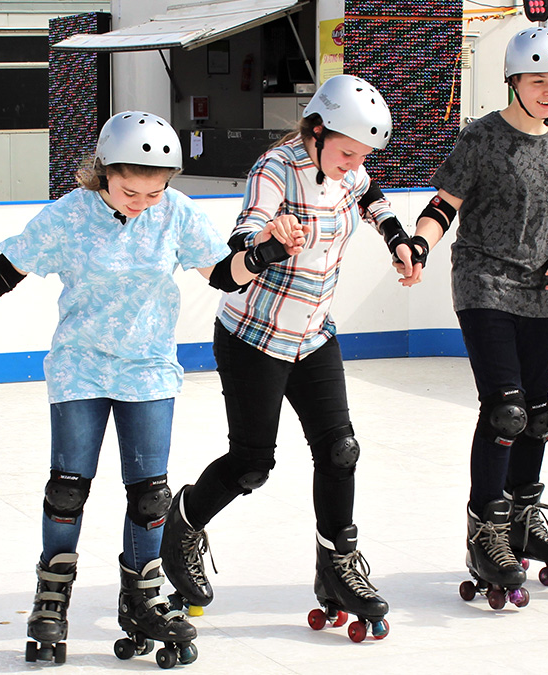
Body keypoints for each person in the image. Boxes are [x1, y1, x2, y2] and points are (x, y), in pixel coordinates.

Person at [0, 111, 303, 666]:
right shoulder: (69, 216)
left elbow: (223, 275)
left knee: (150, 493)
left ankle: (142, 598)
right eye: (131, 189)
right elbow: (4, 272)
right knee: (68, 487)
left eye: (155, 191)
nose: (142, 201)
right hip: (81, 366)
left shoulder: (175, 214)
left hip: (149, 367)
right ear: (103, 172)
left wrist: (268, 251)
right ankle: (52, 599)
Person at [161, 74, 420, 642]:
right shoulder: (274, 170)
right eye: (348, 152)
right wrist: (271, 240)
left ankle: (337, 565)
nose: (354, 164)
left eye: (363, 156)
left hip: (313, 335)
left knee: (340, 449)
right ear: (318, 129)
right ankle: (184, 523)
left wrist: (399, 238)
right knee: (252, 463)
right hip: (254, 336)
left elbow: (371, 196)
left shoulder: (349, 169)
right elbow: (242, 239)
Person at [406, 27, 548, 608]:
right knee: (505, 410)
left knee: (536, 414)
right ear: (513, 80)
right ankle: (486, 529)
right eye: (538, 82)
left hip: (539, 289)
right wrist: (421, 244)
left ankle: (525, 516)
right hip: (483, 282)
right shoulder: (480, 138)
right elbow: (443, 205)